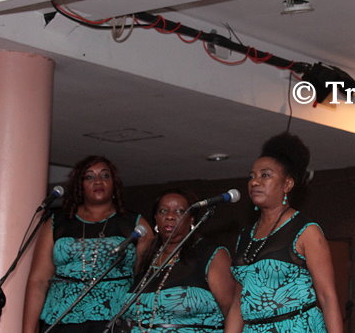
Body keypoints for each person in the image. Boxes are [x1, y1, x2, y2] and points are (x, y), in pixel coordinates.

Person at [225, 133, 343, 333]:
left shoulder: (306, 231)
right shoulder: (245, 236)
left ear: (287, 184)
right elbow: (238, 301)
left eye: (265, 175)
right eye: (252, 176)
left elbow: (327, 297)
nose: (255, 182)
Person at [23, 155, 153, 333]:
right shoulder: (56, 222)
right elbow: (38, 281)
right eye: (89, 177)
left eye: (105, 175)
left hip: (114, 321)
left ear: (114, 183)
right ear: (80, 186)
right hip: (61, 320)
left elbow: (143, 277)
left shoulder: (135, 223)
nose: (98, 181)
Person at [121, 190, 235, 332]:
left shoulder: (211, 254)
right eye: (163, 211)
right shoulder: (147, 258)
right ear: (155, 218)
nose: (170, 216)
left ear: (191, 219)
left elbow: (232, 310)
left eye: (180, 211)